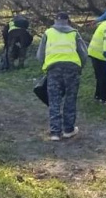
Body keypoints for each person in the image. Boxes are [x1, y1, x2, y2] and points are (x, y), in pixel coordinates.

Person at [37, 12, 89, 141]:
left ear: (55, 21)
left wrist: (46, 65)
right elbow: (83, 53)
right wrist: (80, 67)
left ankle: (55, 132)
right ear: (68, 21)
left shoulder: (48, 33)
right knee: (70, 99)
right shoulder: (74, 33)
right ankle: (68, 130)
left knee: (54, 100)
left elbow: (40, 55)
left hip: (53, 69)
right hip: (72, 69)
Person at [88, 19, 106, 103]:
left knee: (99, 76)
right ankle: (105, 98)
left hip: (93, 52)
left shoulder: (104, 23)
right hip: (100, 54)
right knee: (104, 77)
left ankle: (98, 95)